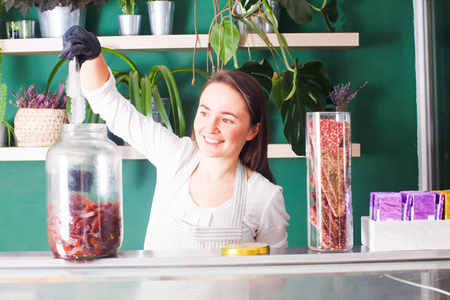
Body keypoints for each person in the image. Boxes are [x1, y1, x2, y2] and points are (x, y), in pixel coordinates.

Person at [59, 26, 290, 251]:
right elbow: (111, 106)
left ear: (253, 131)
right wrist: (92, 56)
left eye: (227, 120)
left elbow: (272, 282)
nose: (211, 128)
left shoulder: (265, 197)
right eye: (205, 113)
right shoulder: (176, 156)